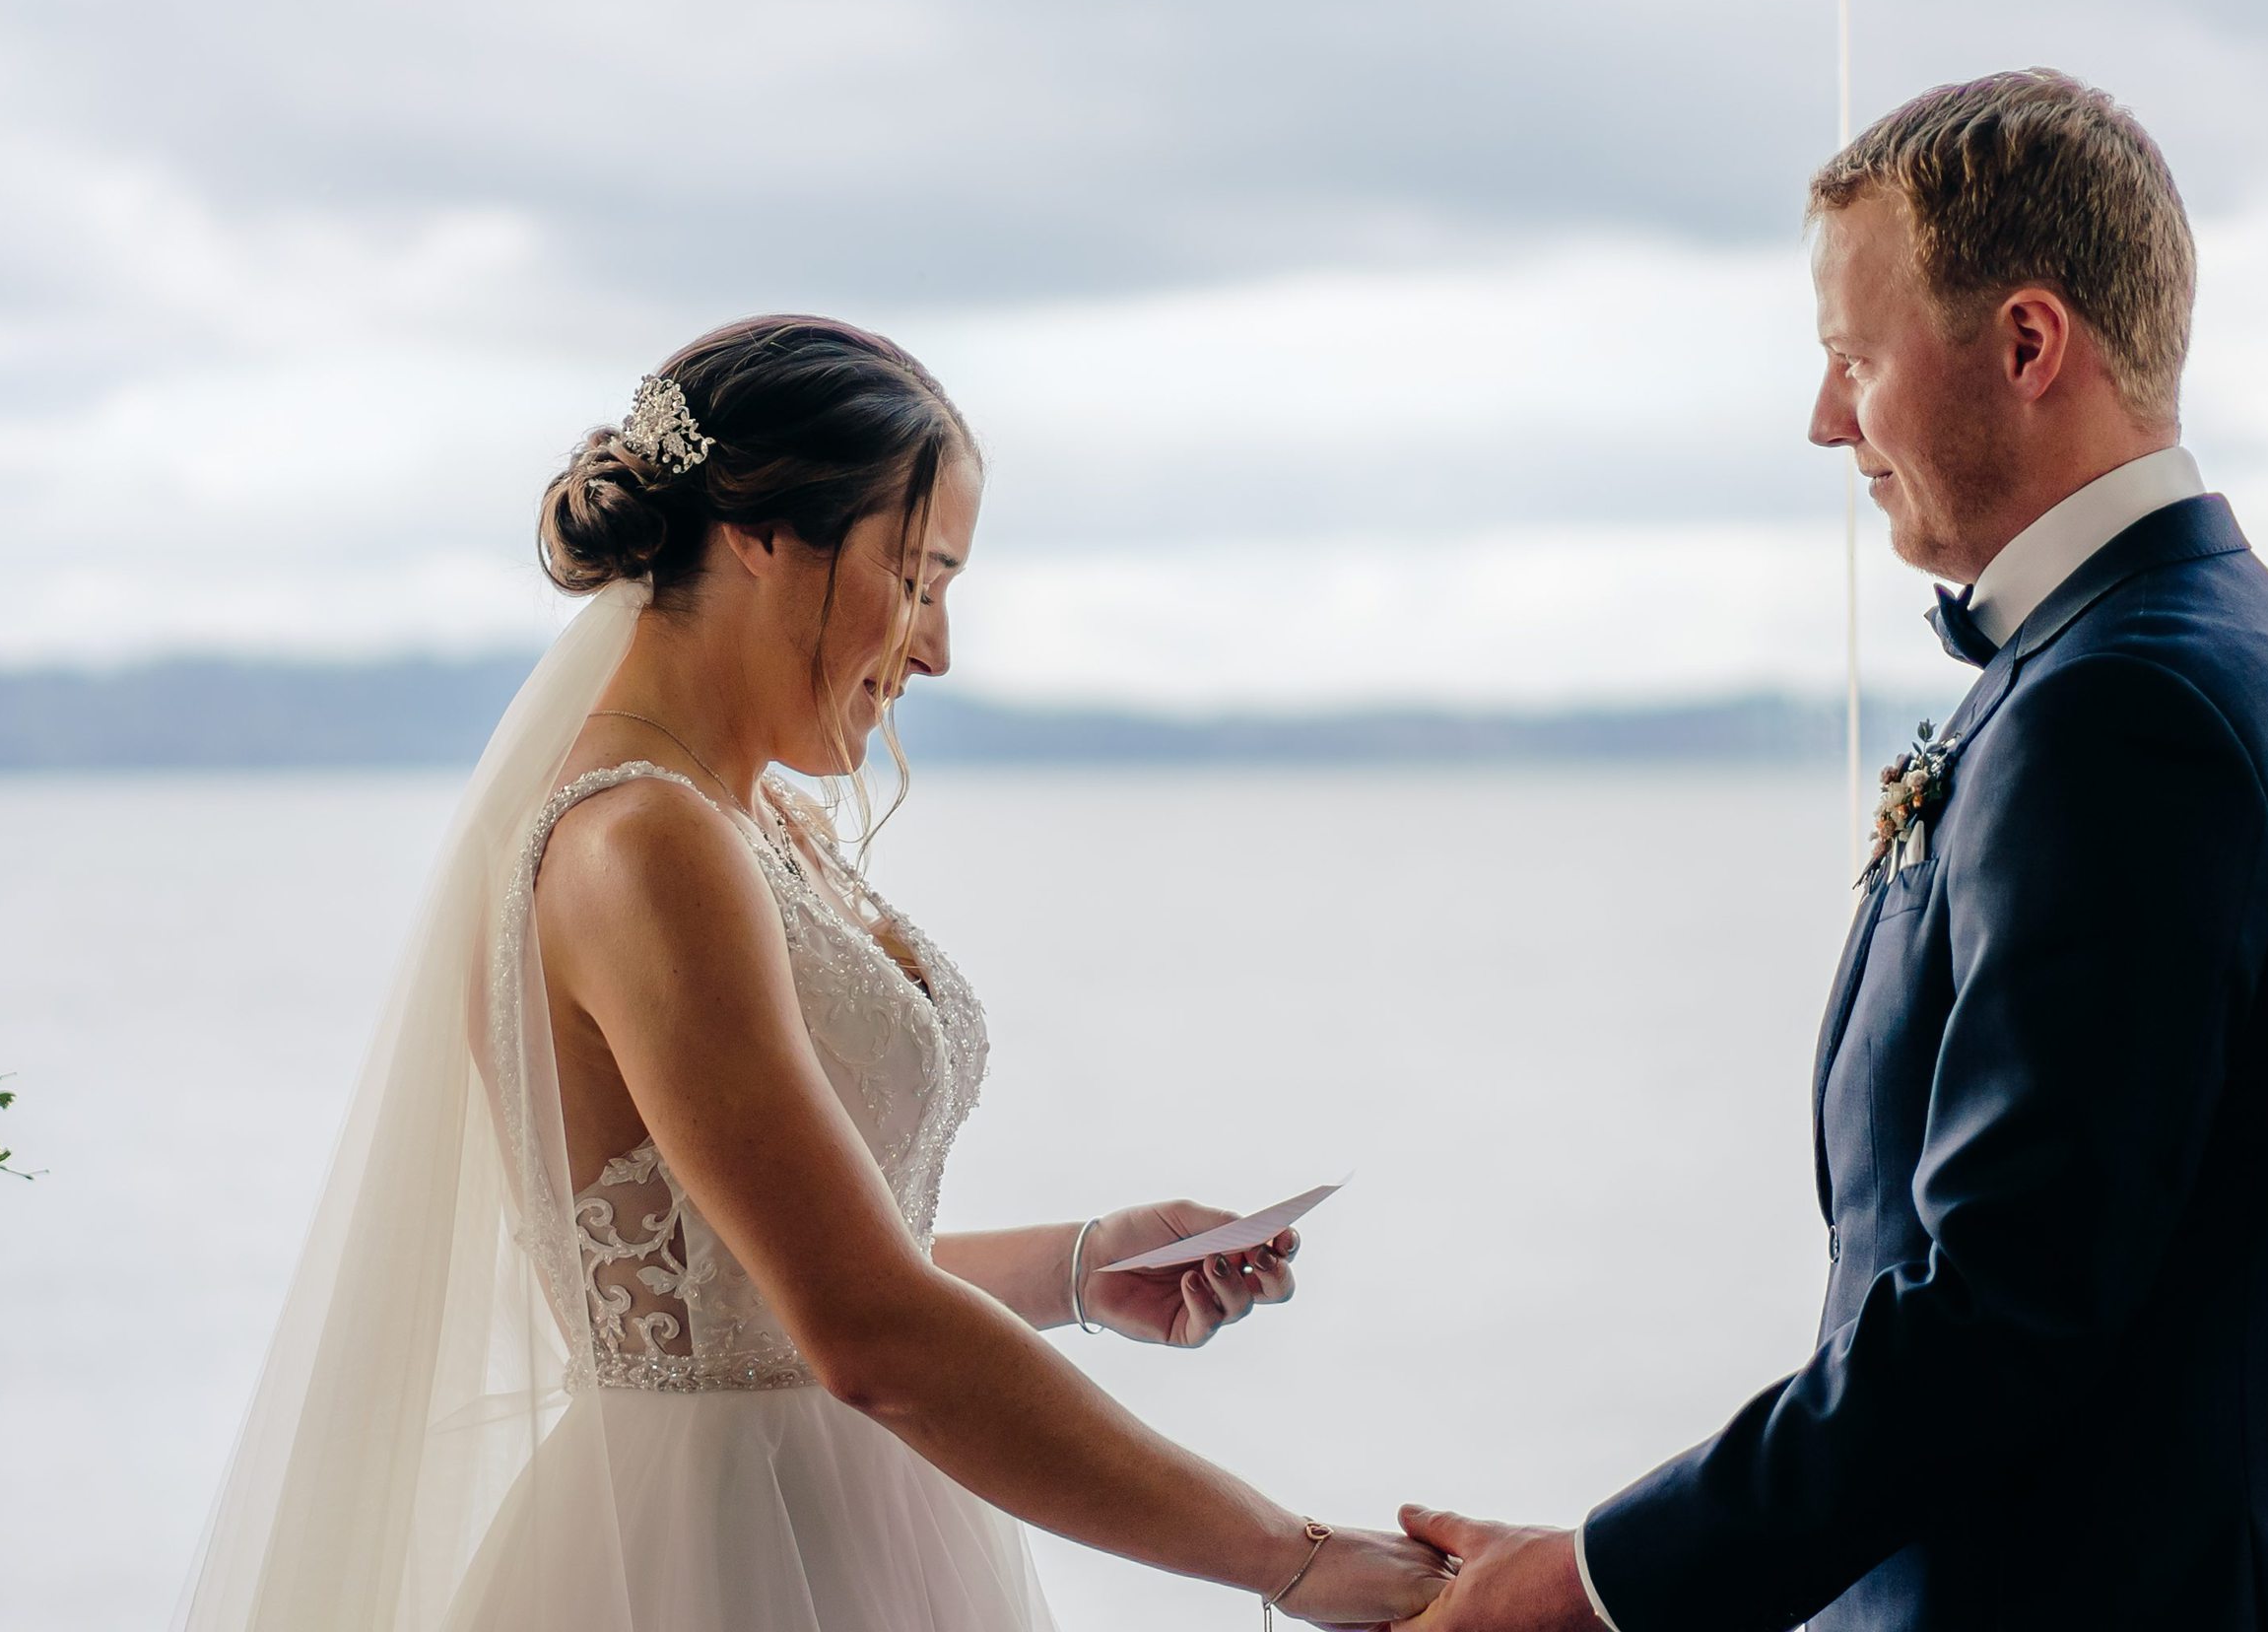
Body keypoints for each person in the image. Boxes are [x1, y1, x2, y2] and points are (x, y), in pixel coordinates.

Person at [179, 316, 1450, 1632]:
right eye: (917, 578)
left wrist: (1076, 1269)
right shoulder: (643, 847)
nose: (938, 648)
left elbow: (757, 1290)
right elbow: (863, 1332)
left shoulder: (743, 823)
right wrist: (1296, 1559)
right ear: (761, 535)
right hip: (721, 1556)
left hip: (841, 1516)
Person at [1400, 71, 2268, 1630]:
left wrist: (1594, 1584)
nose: (1826, 421)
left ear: (2028, 344)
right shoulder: (2198, 647)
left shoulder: (2124, 712)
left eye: (1851, 359)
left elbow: (2007, 1309)